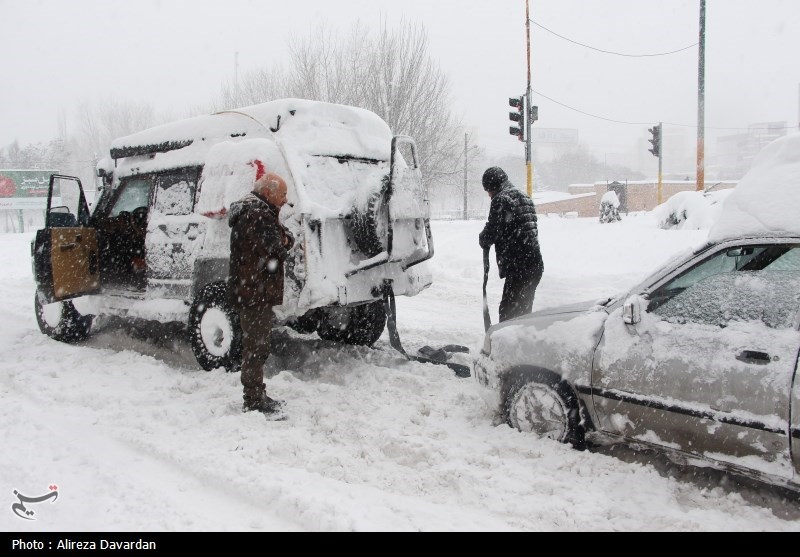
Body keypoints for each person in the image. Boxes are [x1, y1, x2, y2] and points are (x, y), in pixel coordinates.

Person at [228, 160, 294, 416]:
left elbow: (281, 237)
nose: (285, 200)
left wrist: (283, 237)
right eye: (282, 195)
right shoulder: (258, 215)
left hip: (250, 289)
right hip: (255, 291)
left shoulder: (253, 211)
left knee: (256, 345)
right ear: (268, 192)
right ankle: (253, 400)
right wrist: (284, 240)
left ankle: (256, 394)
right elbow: (277, 250)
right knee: (256, 347)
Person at [478, 166, 544, 322]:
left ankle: (509, 345)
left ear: (493, 186)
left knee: (508, 316)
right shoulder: (524, 196)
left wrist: (483, 238)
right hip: (534, 264)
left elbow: (493, 230)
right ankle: (523, 343)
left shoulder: (501, 199)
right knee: (523, 313)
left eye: (488, 190)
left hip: (520, 267)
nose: (489, 195)